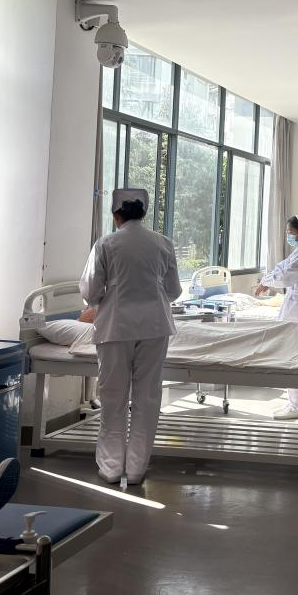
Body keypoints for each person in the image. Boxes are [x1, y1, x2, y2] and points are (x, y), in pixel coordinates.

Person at [79, 188, 182, 485]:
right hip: (155, 327)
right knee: (147, 397)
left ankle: (111, 468)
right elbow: (174, 291)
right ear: (144, 213)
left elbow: (90, 291)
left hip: (116, 328)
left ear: (116, 215)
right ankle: (136, 470)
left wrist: (108, 294)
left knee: (113, 398)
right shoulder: (163, 243)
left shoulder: (106, 243)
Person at [256, 214, 298, 420]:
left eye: (291, 232)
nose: (288, 236)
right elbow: (281, 267)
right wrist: (266, 279)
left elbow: (285, 276)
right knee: (290, 352)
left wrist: (267, 282)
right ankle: (294, 402)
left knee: (296, 354)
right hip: (294, 303)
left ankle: (297, 406)